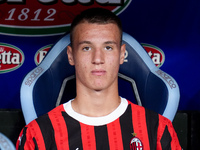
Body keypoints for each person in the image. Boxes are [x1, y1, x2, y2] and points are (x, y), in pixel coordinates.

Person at [16, 8, 182, 150]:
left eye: (108, 47)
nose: (98, 58)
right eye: (86, 48)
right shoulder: (37, 134)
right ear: (71, 55)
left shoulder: (158, 129)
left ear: (122, 54)